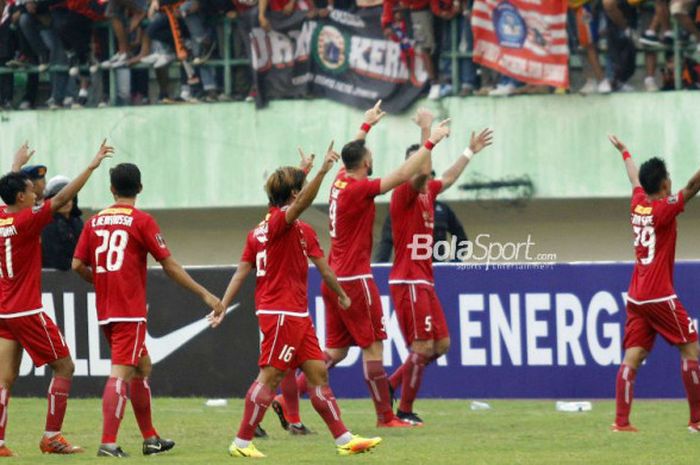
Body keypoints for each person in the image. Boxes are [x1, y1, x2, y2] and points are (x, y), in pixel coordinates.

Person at [210, 145, 382, 458]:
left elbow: (241, 273)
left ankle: (344, 439)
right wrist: (321, 171)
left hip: (295, 314)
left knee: (318, 374)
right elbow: (299, 201)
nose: (302, 194)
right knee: (271, 376)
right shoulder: (280, 224)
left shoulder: (264, 231)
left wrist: (223, 303)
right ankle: (242, 442)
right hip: (280, 313)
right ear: (293, 194)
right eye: (298, 189)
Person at [298, 101, 451, 428]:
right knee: (373, 346)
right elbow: (404, 174)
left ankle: (287, 397)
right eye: (368, 156)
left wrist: (366, 125)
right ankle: (386, 417)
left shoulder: (340, 180)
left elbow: (351, 152)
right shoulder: (359, 189)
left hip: (333, 278)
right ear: (366, 162)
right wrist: (431, 141)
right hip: (354, 279)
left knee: (337, 353)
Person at [71, 162, 225, 457]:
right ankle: (108, 443)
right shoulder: (141, 220)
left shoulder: (94, 222)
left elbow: (77, 265)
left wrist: (101, 280)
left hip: (106, 309)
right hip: (129, 310)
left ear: (112, 189)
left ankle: (150, 438)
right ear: (139, 188)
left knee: (142, 367)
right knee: (120, 373)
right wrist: (205, 294)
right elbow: (169, 265)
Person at [0, 140, 114, 457]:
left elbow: (7, 194)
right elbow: (61, 197)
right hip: (26, 309)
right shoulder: (27, 221)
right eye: (31, 188)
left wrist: (14, 165)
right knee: (64, 367)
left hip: (4, 310)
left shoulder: (3, 215)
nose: (37, 192)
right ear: (21, 197)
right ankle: (52, 436)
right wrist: (91, 165)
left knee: (4, 378)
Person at [387, 108, 492, 424]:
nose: (426, 172)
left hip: (424, 280)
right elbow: (422, 171)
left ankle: (391, 385)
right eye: (418, 164)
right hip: (408, 280)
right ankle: (404, 411)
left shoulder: (429, 192)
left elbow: (445, 176)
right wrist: (427, 134)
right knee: (421, 347)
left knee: (441, 345)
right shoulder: (403, 192)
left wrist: (469, 151)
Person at [608, 135, 700, 432]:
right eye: (668, 178)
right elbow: (692, 187)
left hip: (636, 296)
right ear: (663, 185)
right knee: (691, 351)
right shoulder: (663, 209)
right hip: (659, 295)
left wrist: (625, 152)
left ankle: (621, 423)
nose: (671, 181)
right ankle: (697, 421)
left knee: (632, 357)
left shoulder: (638, 204)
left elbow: (634, 178)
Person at [41, 176, 84, 270]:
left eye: (69, 198)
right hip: (54, 278)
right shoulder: (47, 225)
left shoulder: (77, 222)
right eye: (61, 199)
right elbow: (57, 260)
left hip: (78, 275)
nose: (66, 202)